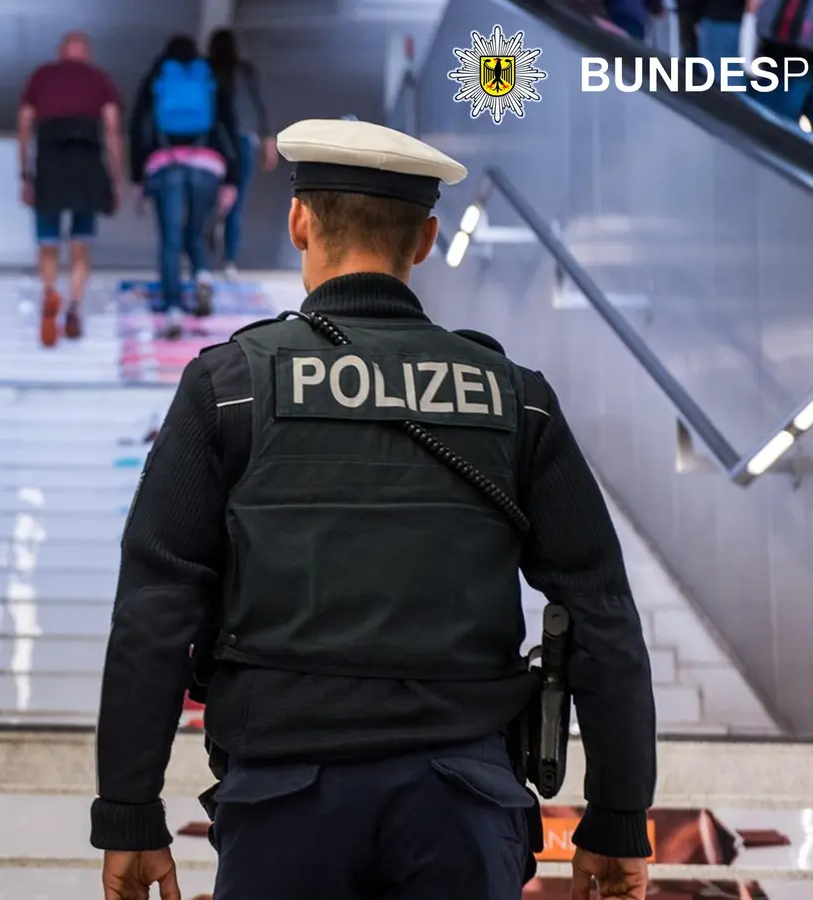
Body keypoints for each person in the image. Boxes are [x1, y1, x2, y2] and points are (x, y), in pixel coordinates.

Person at [91, 119, 656, 900]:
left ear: (299, 221)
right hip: (464, 804)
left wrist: (129, 809)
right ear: (424, 240)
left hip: (283, 804)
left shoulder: (232, 385)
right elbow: (601, 611)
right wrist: (618, 814)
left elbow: (154, 606)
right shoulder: (514, 399)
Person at [129, 35, 241, 341]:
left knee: (170, 240)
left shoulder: (157, 74)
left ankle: (173, 311)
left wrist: (137, 177)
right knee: (196, 232)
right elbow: (229, 125)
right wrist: (232, 179)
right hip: (206, 164)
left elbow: (138, 125)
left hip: (165, 165)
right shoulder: (209, 75)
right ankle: (203, 277)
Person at [18, 30, 123, 348]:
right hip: (87, 162)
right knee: (81, 244)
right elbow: (112, 127)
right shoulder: (99, 79)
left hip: (50, 161)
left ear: (61, 50)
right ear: (86, 52)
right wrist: (115, 178)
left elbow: (24, 124)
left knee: (47, 242)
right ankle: (74, 306)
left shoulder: (41, 76)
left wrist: (25, 173)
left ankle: (50, 292)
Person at [205, 28, 274, 279]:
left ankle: (203, 258)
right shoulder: (245, 70)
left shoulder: (205, 70)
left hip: (211, 143)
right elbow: (260, 105)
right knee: (237, 201)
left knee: (207, 200)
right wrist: (268, 140)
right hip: (243, 140)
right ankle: (230, 261)